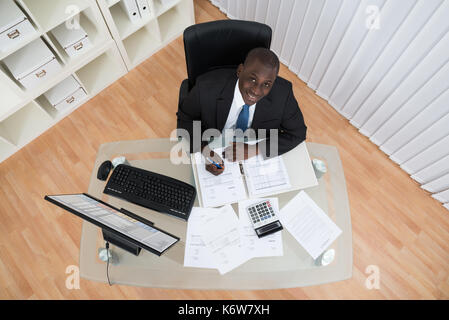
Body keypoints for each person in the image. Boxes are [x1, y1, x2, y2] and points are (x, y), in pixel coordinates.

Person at [177, 47, 307, 175]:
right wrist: (204, 150)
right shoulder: (206, 87)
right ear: (240, 71)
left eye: (266, 84)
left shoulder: (283, 94)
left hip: (253, 160)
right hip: (213, 142)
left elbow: (298, 133)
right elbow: (185, 118)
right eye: (253, 79)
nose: (256, 90)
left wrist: (256, 149)